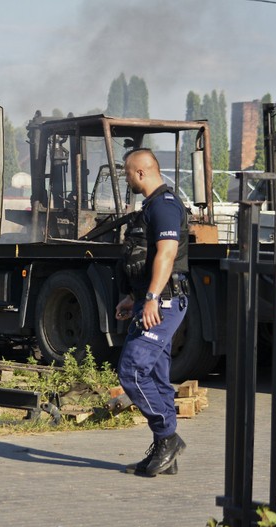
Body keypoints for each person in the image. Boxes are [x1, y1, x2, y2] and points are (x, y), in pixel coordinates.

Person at [115, 148, 189, 477]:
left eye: (127, 173)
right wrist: (134, 297)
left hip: (164, 303)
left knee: (132, 371)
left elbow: (166, 254)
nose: (126, 179)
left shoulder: (165, 205)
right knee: (156, 376)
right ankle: (165, 452)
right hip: (155, 300)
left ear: (141, 173)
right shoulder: (151, 207)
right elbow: (145, 257)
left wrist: (151, 299)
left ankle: (168, 438)